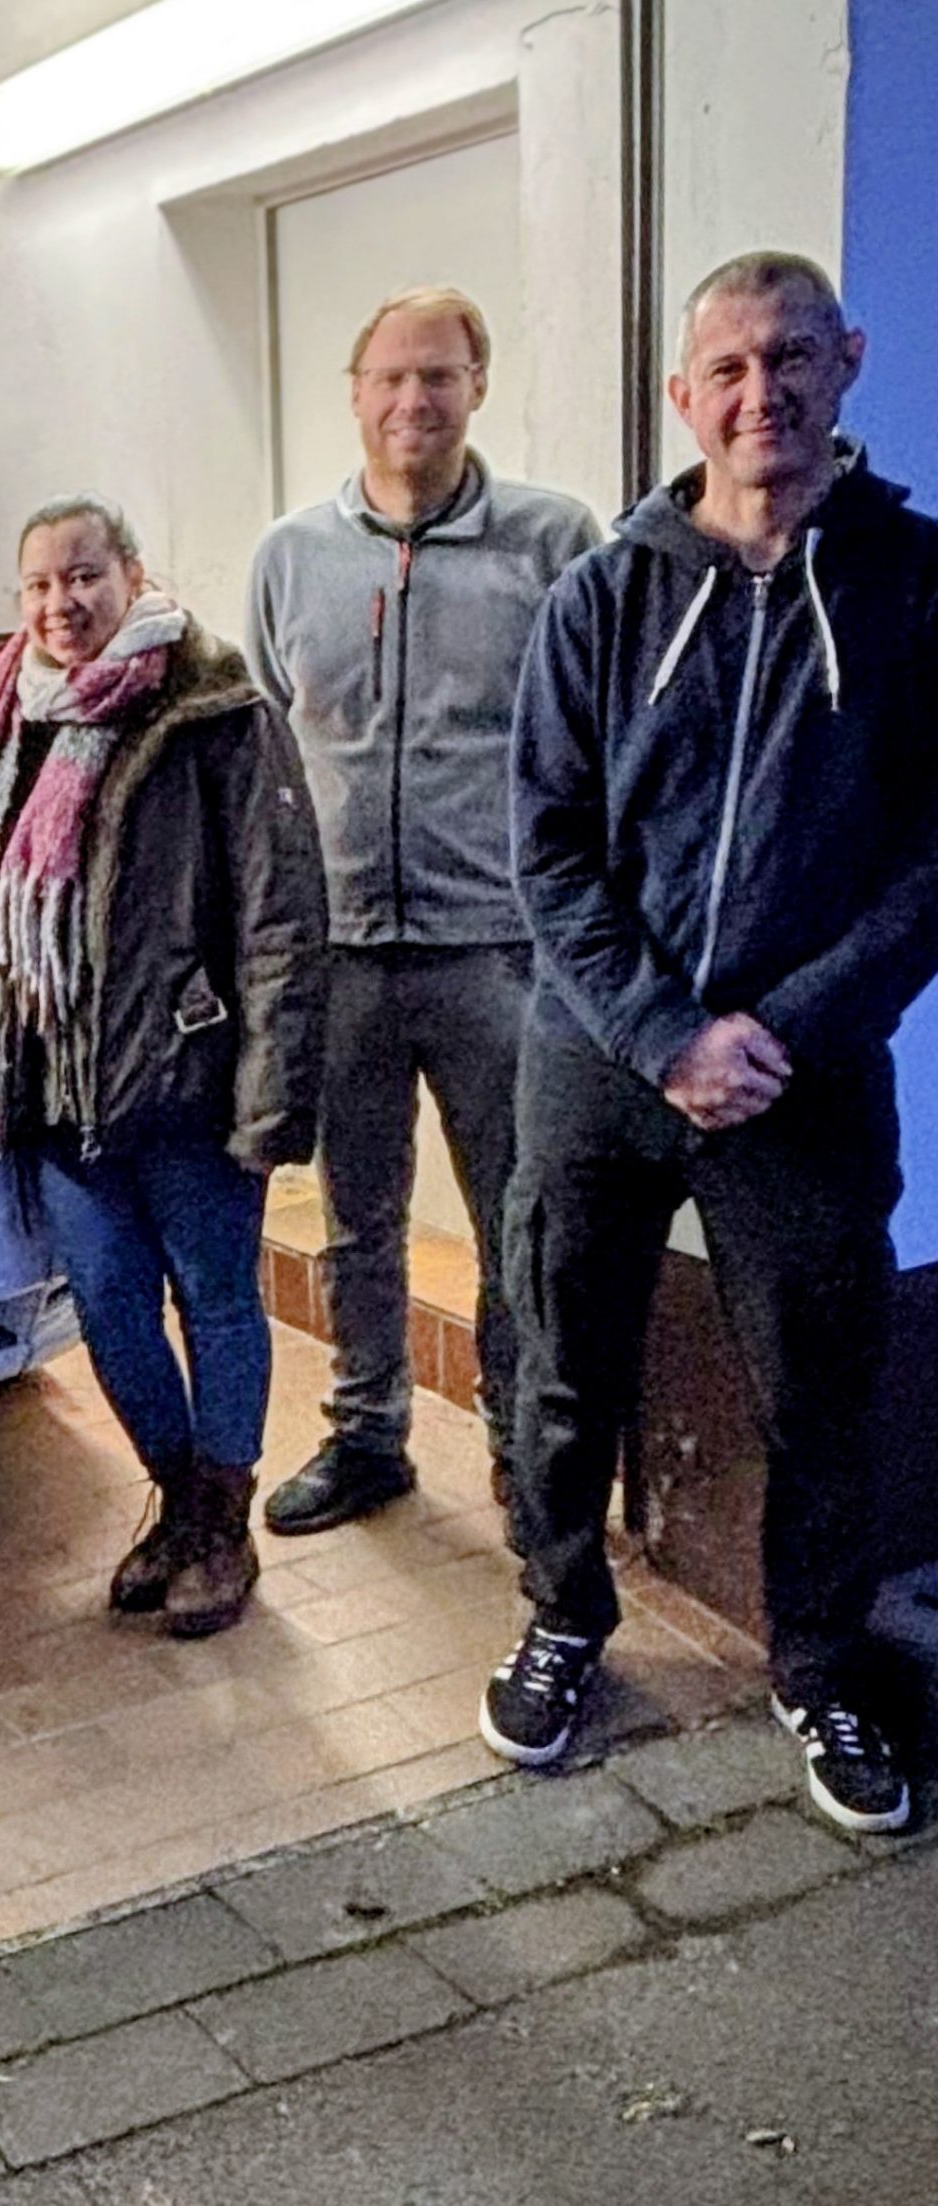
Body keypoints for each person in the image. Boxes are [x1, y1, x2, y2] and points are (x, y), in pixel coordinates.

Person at [485, 253, 938, 1834]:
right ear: (685, 397)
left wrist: (787, 1031)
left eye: (796, 357)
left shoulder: (916, 585)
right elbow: (546, 852)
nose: (767, 394)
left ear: (851, 360)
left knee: (824, 1387)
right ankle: (563, 1613)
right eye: (731, 368)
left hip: (805, 1082)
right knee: (562, 1364)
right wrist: (668, 1030)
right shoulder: (604, 595)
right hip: (602, 1063)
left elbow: (933, 859)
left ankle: (820, 1664)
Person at [247, 286, 603, 1539]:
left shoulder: (554, 543)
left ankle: (521, 1450)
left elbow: (596, 746)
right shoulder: (290, 556)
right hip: (338, 952)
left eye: (439, 376)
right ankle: (366, 1435)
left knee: (521, 1214)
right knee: (357, 1215)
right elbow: (268, 760)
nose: (414, 400)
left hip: (498, 953)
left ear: (478, 384)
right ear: (353, 392)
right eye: (391, 377)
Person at [0, 495, 327, 1638]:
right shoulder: (6, 715)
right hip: (60, 1084)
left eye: (84, 577)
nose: (62, 604)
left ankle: (223, 1524)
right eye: (40, 585)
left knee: (214, 1300)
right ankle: (177, 1499)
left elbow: (278, 912)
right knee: (110, 1307)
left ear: (132, 575)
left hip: (188, 1079)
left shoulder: (212, 705)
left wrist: (270, 1094)